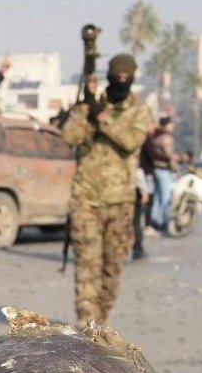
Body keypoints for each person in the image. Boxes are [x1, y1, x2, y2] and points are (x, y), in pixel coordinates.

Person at [60, 52, 154, 326]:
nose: (120, 81)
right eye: (116, 76)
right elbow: (70, 137)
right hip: (86, 199)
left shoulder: (138, 109)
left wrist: (103, 118)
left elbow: (131, 141)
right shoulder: (91, 106)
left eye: (126, 77)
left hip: (121, 202)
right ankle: (87, 324)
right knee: (87, 267)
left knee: (112, 269)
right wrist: (86, 110)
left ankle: (100, 318)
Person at [141, 116, 177, 233]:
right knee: (165, 197)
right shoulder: (166, 137)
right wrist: (174, 166)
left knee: (156, 197)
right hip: (164, 169)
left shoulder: (155, 136)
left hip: (155, 169)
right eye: (171, 124)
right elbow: (169, 155)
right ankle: (166, 221)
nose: (173, 127)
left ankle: (153, 220)